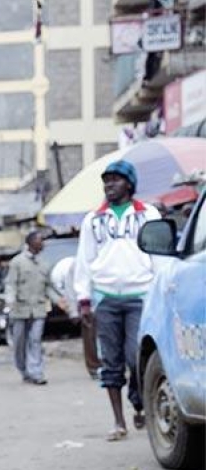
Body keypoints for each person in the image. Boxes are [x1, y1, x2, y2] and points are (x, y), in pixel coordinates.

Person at [73, 158, 161, 440]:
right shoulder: (93, 219)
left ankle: (138, 401)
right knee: (110, 362)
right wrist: (84, 299)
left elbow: (158, 254)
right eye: (106, 180)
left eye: (116, 179)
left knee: (136, 357)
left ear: (129, 183)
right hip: (107, 298)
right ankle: (119, 422)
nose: (109, 184)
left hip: (141, 295)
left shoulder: (148, 214)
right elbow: (84, 261)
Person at [3, 229, 51, 385]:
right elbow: (10, 284)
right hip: (19, 310)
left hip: (38, 309)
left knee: (35, 340)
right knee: (19, 343)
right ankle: (24, 370)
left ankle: (36, 372)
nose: (42, 242)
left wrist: (64, 302)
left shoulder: (44, 264)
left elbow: (49, 287)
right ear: (30, 243)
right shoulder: (17, 262)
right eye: (39, 240)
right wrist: (10, 300)